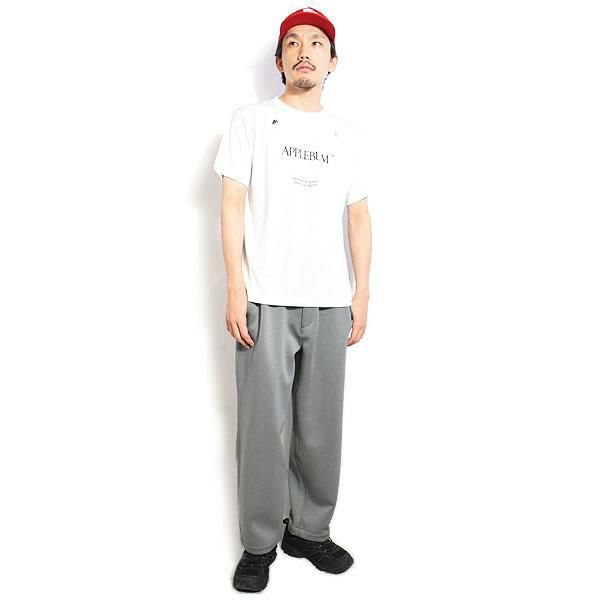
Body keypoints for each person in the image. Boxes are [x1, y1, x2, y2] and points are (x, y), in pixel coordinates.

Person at [213, 6, 372, 593]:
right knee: (262, 427)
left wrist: (362, 292)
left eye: (317, 44)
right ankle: (259, 542)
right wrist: (236, 286)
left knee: (321, 427)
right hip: (266, 297)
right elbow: (232, 204)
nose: (305, 51)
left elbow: (359, 217)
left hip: (330, 300)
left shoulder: (346, 137)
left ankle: (309, 530)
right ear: (280, 61)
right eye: (293, 43)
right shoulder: (252, 122)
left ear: (333, 62)